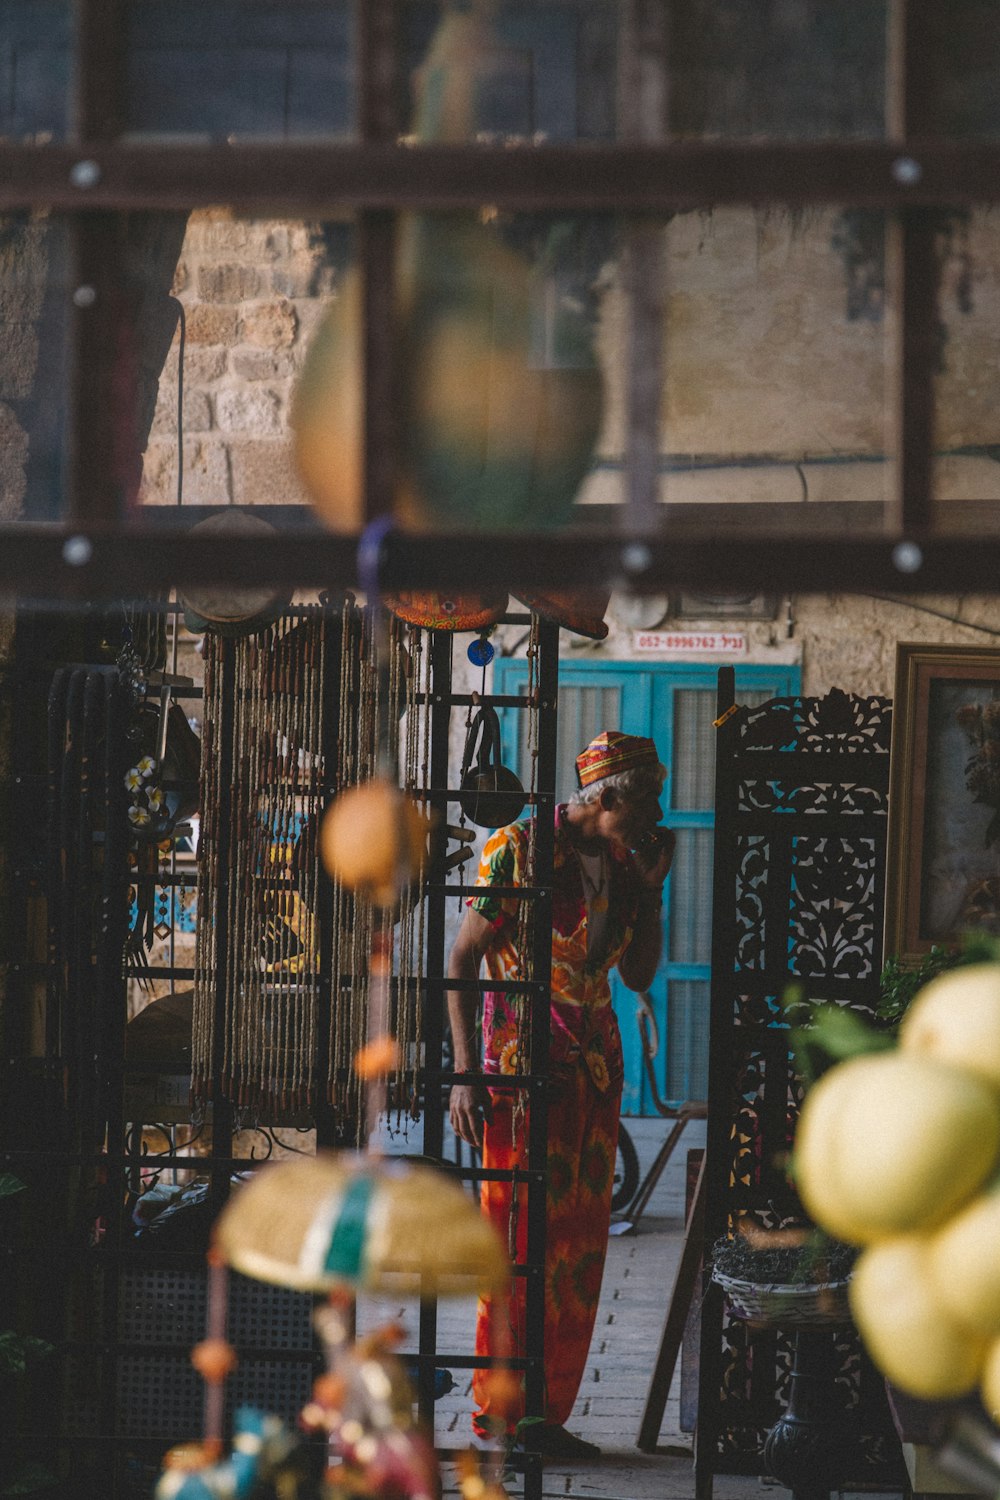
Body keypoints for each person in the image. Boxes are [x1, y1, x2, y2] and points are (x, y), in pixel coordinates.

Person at [447, 730, 675, 1459]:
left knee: (575, 1246)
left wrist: (652, 890)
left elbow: (637, 976)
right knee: (515, 1240)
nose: (657, 813)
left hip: (593, 1072)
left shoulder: (620, 863)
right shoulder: (517, 849)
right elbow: (462, 958)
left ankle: (545, 1415)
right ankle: (502, 1411)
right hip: (520, 1071)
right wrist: (465, 1072)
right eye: (645, 799)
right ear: (603, 798)